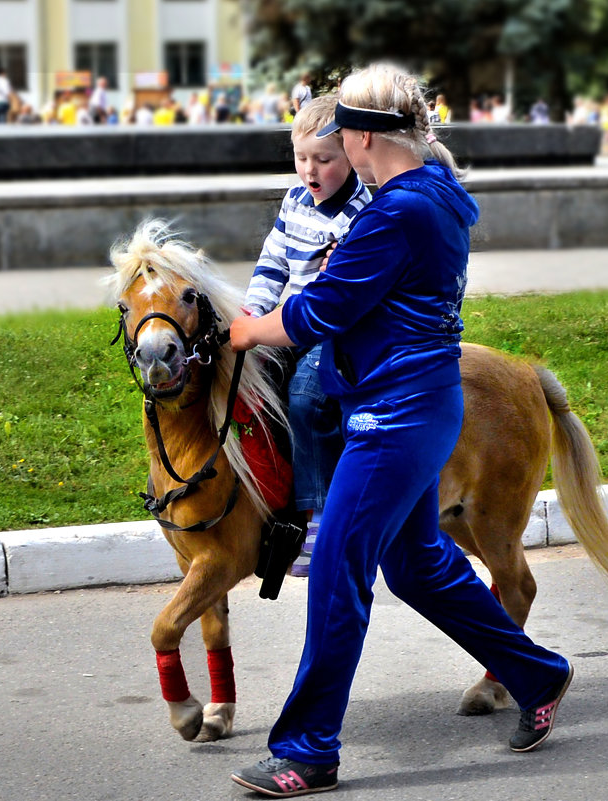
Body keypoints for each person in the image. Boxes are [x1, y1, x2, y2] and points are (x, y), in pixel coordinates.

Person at [228, 62, 573, 798]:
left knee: (336, 573)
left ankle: (307, 750)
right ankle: (537, 671)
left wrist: (244, 329)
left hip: (395, 417)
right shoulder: (432, 191)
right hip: (416, 405)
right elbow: (369, 289)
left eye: (338, 137)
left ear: (357, 139)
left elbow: (315, 314)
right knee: (414, 565)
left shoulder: (393, 212)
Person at [242, 93, 371, 577]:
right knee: (250, 386)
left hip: (332, 332)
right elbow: (273, 261)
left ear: (352, 155)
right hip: (287, 322)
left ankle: (317, 515)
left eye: (324, 159)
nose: (310, 171)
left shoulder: (361, 215)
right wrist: (251, 310)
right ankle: (266, 494)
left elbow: (336, 298)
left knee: (305, 399)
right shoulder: (294, 200)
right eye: (301, 158)